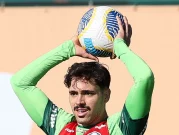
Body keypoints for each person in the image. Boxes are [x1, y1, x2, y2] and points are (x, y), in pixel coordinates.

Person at [10, 16, 155, 135]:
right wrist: (67, 49)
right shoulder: (61, 126)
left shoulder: (120, 129)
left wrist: (119, 47)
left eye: (88, 93)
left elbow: (144, 78)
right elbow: (20, 83)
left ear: (106, 95)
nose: (79, 101)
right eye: (73, 93)